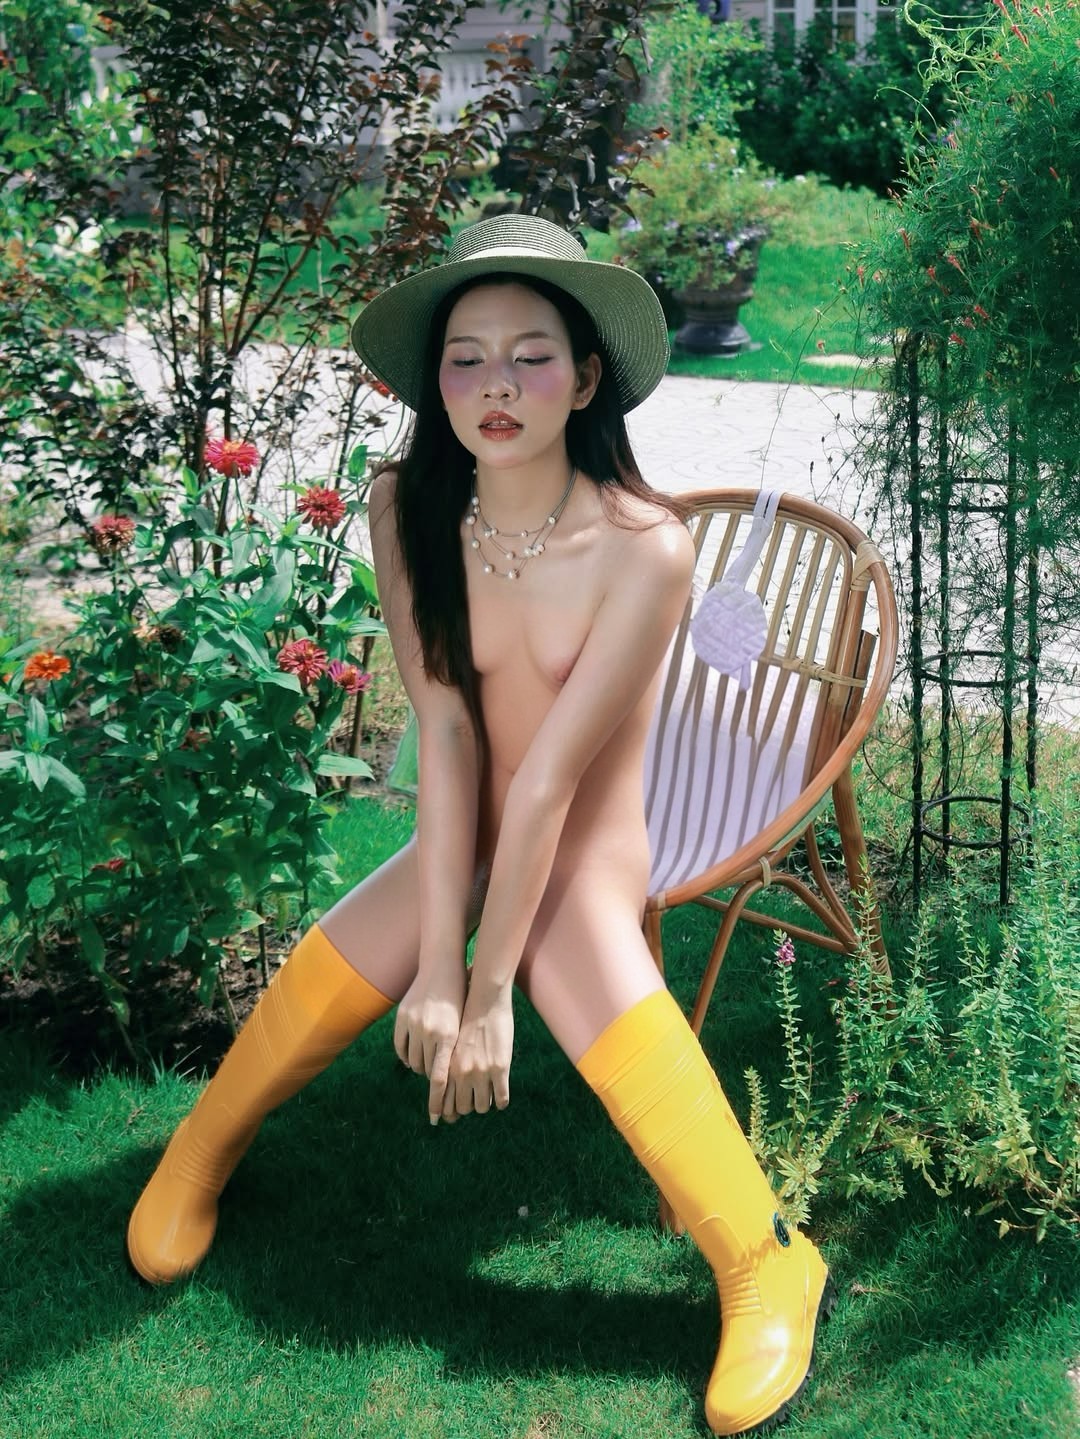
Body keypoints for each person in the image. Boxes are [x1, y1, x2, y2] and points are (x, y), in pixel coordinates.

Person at [126, 214, 834, 1437]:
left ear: (587, 377)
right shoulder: (407, 505)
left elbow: (551, 781)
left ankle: (768, 1259)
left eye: (530, 356)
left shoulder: (644, 549)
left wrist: (487, 985)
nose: (496, 385)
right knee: (385, 925)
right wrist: (436, 959)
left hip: (588, 840)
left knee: (572, 938)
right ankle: (197, 1153)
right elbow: (447, 732)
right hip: (469, 821)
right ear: (435, 382)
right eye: (466, 358)